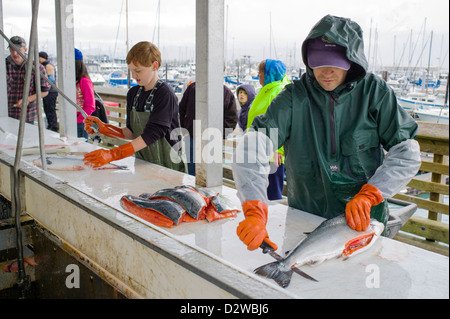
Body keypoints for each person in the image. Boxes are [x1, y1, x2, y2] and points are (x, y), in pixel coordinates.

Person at [232, 15, 421, 251]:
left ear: (352, 61)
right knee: (301, 281)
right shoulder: (293, 98)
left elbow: (407, 151)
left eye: (336, 63)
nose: (326, 71)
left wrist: (372, 194)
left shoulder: (374, 92)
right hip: (304, 221)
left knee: (364, 283)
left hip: (364, 223)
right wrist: (254, 208)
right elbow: (253, 147)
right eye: (318, 62)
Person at [83, 41, 186, 173]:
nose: (134, 76)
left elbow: (151, 135)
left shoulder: (165, 94)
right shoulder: (133, 93)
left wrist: (112, 154)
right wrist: (104, 128)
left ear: (155, 66)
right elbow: (131, 133)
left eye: (138, 71)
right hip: (143, 163)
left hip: (168, 168)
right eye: (131, 70)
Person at [246, 59, 289, 200]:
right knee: (259, 192)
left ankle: (272, 220)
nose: (258, 76)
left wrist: (278, 150)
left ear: (269, 74)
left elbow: (283, 122)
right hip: (259, 150)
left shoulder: (278, 91)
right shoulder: (266, 90)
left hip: (271, 153)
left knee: (272, 193)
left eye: (260, 73)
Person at [179, 81, 238, 176]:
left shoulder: (226, 92)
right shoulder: (192, 88)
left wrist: (219, 136)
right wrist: (185, 130)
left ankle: (209, 190)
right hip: (191, 138)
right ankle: (193, 190)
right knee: (192, 171)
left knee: (211, 173)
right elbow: (181, 109)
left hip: (212, 140)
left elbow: (232, 119)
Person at [5, 36, 51, 124]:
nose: (15, 53)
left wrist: (28, 99)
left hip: (27, 116)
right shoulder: (3, 66)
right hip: (6, 114)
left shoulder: (37, 68)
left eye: (18, 50)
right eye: (12, 49)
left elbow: (44, 91)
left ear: (25, 50)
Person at [74, 48, 95, 140]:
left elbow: (90, 106)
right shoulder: (73, 81)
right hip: (71, 118)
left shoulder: (84, 81)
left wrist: (79, 120)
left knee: (80, 149)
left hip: (80, 120)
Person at [39, 51, 58, 132]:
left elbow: (51, 79)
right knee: (47, 109)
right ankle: (50, 125)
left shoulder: (48, 66)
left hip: (51, 92)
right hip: (47, 91)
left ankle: (53, 127)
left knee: (50, 109)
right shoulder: (44, 65)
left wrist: (45, 87)